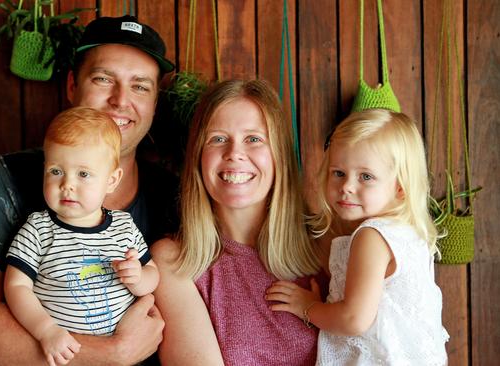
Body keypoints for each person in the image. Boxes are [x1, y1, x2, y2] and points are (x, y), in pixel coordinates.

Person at [0, 15, 177, 365]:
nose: (120, 100)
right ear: (72, 85)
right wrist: (111, 354)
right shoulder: (12, 177)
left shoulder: (171, 194)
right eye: (103, 79)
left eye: (140, 86)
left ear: (155, 103)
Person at [151, 79, 324, 365]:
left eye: (254, 139)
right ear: (198, 157)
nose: (234, 153)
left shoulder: (325, 245)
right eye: (218, 139)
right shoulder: (175, 261)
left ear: (278, 154)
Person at [267, 109, 449, 365]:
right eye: (338, 173)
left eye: (366, 177)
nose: (347, 186)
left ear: (400, 187)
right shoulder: (409, 233)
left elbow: (354, 319)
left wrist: (307, 308)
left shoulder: (372, 237)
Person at [4, 107, 159, 366]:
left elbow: (152, 275)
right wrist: (46, 331)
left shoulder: (123, 226)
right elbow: (16, 287)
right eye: (56, 171)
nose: (67, 184)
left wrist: (139, 278)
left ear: (111, 180)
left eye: (83, 174)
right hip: (65, 354)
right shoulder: (38, 229)